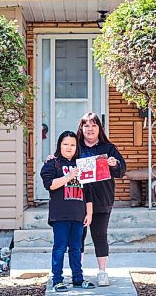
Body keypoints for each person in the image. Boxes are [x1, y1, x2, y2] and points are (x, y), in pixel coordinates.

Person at [40, 131, 96, 292]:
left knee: (76, 248)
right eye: (65, 144)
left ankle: (78, 278)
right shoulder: (53, 163)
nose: (69, 147)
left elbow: (89, 191)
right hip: (60, 215)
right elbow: (49, 184)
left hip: (78, 214)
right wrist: (68, 177)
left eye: (72, 144)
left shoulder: (82, 164)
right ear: (59, 145)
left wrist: (89, 213)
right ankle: (57, 280)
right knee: (59, 247)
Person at [76, 112, 126, 287]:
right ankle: (78, 273)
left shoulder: (108, 148)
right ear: (81, 128)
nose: (90, 129)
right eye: (86, 125)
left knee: (99, 235)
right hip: (77, 199)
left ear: (99, 128)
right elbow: (61, 163)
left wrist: (115, 164)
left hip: (102, 199)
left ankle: (102, 272)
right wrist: (52, 159)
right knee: (78, 236)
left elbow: (121, 171)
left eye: (94, 125)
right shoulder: (75, 147)